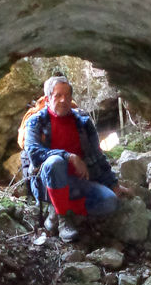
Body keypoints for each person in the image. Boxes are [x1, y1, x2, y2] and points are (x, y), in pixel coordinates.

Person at [22, 75, 127, 242]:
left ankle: (57, 210)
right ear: (48, 99)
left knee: (110, 202)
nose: (63, 100)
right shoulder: (36, 121)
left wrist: (113, 184)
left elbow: (97, 155)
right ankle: (63, 219)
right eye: (58, 95)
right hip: (47, 184)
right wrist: (69, 156)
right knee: (55, 162)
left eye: (67, 95)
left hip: (77, 182)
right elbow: (34, 153)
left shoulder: (83, 122)